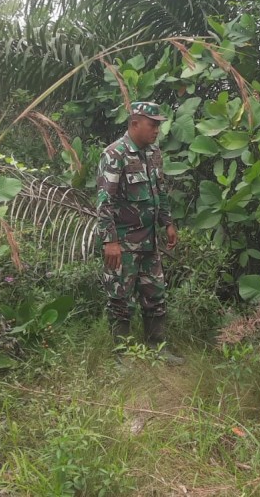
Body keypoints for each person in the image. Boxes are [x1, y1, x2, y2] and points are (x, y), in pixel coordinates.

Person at [96, 101, 184, 365]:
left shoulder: (154, 153)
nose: (157, 129)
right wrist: (110, 240)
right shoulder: (115, 154)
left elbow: (160, 190)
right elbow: (104, 201)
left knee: (155, 294)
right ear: (135, 123)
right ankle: (122, 354)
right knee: (121, 299)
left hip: (149, 241)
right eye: (152, 124)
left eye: (158, 124)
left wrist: (167, 222)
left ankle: (157, 348)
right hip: (123, 243)